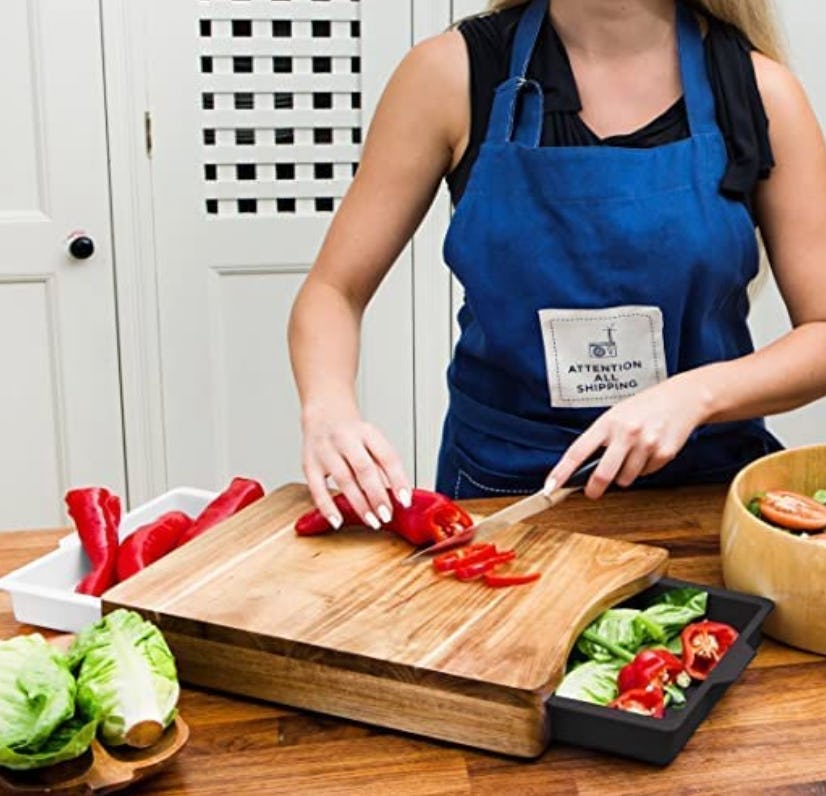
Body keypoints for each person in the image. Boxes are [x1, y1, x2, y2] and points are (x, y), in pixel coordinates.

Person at [288, 0, 826, 531]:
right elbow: (334, 290)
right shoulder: (450, 75)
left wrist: (696, 395)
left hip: (701, 493)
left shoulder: (761, 93)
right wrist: (328, 408)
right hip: (503, 491)